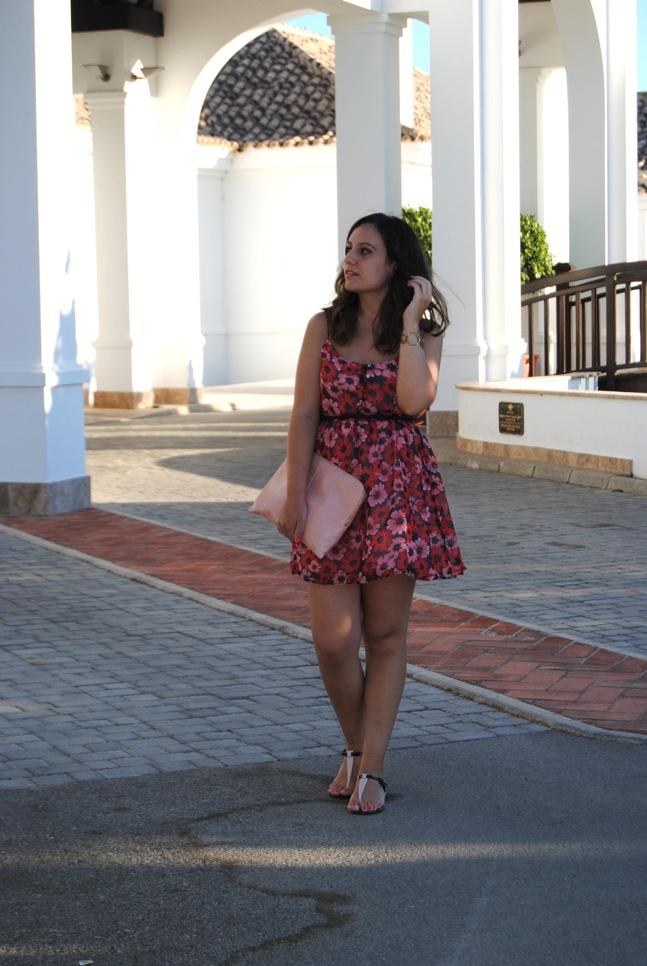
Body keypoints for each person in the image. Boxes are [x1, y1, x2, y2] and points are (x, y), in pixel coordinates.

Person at [277, 212, 465, 815]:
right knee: (333, 641)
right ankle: (357, 748)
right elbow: (305, 413)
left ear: (395, 266)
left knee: (385, 635)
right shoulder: (322, 327)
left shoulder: (425, 331)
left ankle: (372, 767)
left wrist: (410, 324)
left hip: (398, 489)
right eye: (349, 249)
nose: (350, 259)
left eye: (366, 251)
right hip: (332, 489)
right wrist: (293, 490)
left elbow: (414, 401)